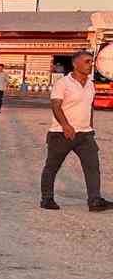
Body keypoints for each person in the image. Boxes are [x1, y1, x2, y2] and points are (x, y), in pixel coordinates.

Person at [41, 50, 109, 212]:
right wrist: (65, 126)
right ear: (75, 64)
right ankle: (47, 198)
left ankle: (94, 200)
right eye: (86, 61)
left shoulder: (91, 84)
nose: (90, 64)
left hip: (85, 134)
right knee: (52, 166)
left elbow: (89, 106)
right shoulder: (63, 83)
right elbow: (56, 106)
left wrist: (90, 127)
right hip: (61, 134)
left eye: (91, 62)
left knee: (92, 166)